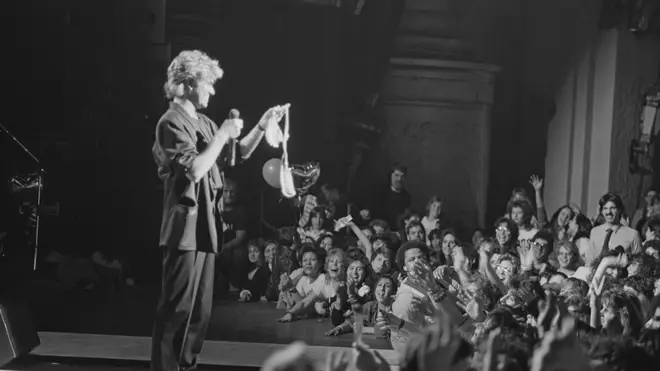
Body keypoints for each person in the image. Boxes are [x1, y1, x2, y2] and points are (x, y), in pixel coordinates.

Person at [151, 49, 286, 371]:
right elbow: (195, 170)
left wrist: (260, 126)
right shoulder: (170, 122)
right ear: (187, 83)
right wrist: (224, 133)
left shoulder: (207, 122)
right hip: (184, 228)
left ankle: (187, 366)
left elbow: (233, 154)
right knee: (177, 308)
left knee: (200, 311)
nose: (212, 91)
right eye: (207, 83)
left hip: (206, 226)